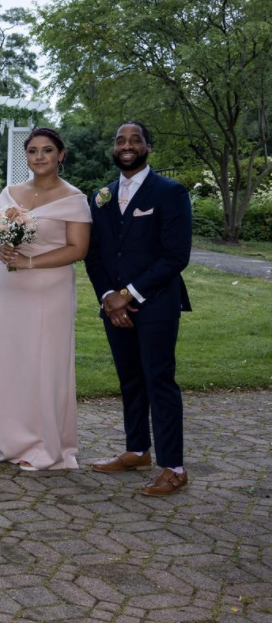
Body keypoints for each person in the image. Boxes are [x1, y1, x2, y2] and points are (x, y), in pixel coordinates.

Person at [85, 121, 192, 496]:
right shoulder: (101, 196)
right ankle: (136, 449)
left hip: (156, 303)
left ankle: (174, 467)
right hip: (113, 306)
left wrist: (127, 295)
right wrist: (107, 297)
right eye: (120, 140)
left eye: (135, 140)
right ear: (113, 148)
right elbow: (95, 254)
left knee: (158, 381)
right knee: (129, 379)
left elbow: (176, 255)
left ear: (148, 146)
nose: (126, 145)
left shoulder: (170, 192)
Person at [0, 127, 92, 471]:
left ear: (61, 154)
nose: (40, 157)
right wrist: (2, 248)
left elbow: (78, 248)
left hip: (50, 289)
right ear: (26, 157)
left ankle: (47, 444)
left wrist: (30, 261)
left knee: (45, 363)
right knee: (13, 360)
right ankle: (9, 438)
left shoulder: (73, 197)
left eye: (47, 150)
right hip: (12, 289)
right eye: (32, 151)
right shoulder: (10, 193)